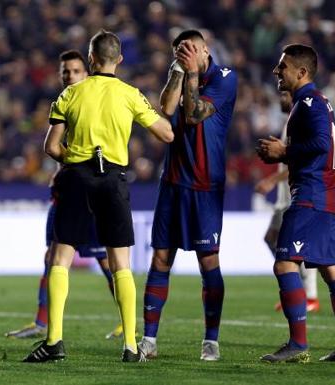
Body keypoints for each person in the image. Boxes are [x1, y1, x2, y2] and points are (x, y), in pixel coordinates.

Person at [23, 30, 173, 363]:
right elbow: (166, 132)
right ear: (119, 59)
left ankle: (54, 341)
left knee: (60, 258)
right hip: (114, 180)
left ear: (90, 59)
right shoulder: (130, 94)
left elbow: (50, 146)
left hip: (76, 177)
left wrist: (75, 159)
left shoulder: (71, 93)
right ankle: (131, 346)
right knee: (121, 264)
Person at [5, 49, 123, 340]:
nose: (69, 76)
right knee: (52, 257)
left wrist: (74, 166)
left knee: (107, 260)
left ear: (88, 73)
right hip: (64, 190)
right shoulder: (63, 102)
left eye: (75, 71)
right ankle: (42, 323)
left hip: (90, 192)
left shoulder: (94, 103)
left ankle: (127, 321)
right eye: (65, 72)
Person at [139, 29, 237, 361]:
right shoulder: (180, 73)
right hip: (173, 183)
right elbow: (167, 109)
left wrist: (192, 71)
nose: (187, 54)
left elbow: (194, 116)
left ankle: (211, 341)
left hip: (206, 186)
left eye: (192, 49)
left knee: (208, 261)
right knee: (160, 259)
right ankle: (149, 340)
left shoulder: (225, 78)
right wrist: (178, 71)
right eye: (180, 51)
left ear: (206, 48)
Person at [257, 44, 335, 363]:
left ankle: (298, 345)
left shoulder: (308, 102)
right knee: (331, 271)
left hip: (311, 195)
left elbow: (321, 144)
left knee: (285, 262)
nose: (277, 72)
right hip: (323, 194)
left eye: (283, 67)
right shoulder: (313, 102)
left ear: (301, 72)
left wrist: (284, 153)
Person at [254, 91, 320, 313]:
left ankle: (308, 296)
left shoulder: (300, 120)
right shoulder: (289, 121)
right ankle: (298, 290)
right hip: (284, 199)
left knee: (301, 247)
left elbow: (299, 159)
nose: (280, 99)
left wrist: (272, 180)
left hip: (295, 196)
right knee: (271, 239)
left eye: (283, 95)